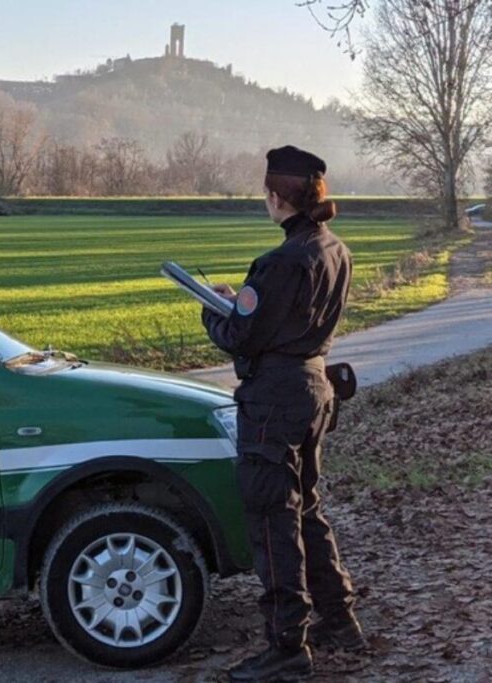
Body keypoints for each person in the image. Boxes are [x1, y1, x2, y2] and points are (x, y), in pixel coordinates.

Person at [201, 146, 365, 682]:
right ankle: (340, 620)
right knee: (308, 508)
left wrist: (213, 308)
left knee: (273, 517)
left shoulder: (278, 263)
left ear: (276, 197)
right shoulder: (334, 249)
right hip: (316, 388)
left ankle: (286, 646)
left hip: (273, 400)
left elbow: (242, 334)